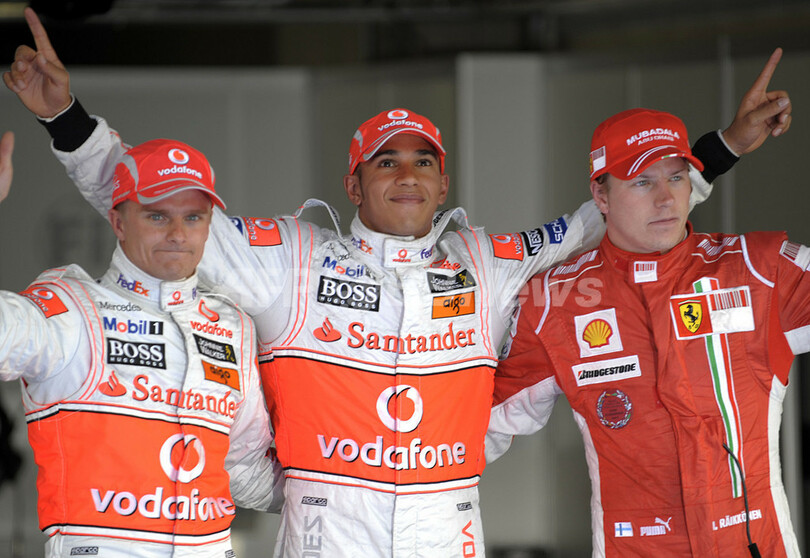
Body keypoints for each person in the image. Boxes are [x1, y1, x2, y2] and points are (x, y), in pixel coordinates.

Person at [4, 8, 791, 556]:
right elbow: (153, 196)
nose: (406, 174)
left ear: (444, 183)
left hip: (447, 531)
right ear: (353, 184)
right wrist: (66, 121)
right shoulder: (291, 259)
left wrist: (716, 151)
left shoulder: (487, 262)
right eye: (386, 161)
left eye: (422, 161)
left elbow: (612, 211)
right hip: (326, 535)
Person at [487, 107, 806, 557]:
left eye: (676, 178)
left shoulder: (759, 271)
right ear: (600, 195)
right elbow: (478, 428)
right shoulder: (554, 302)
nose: (666, 199)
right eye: (642, 182)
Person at [0, 132, 282, 557]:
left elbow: (242, 464)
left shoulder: (231, 326)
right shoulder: (71, 310)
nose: (178, 234)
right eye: (156, 216)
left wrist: (357, 494)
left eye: (193, 217)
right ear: (118, 222)